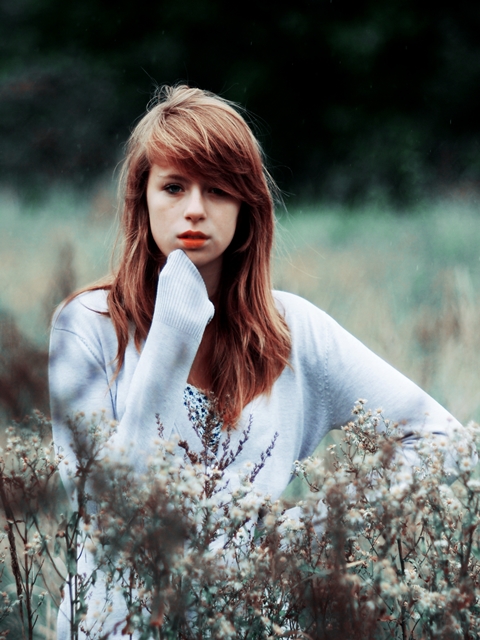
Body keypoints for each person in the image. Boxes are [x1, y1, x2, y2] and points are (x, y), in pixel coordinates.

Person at [49, 85, 469, 637]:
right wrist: (173, 337)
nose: (195, 209)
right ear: (142, 198)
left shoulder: (293, 331)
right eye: (174, 186)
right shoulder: (87, 327)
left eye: (218, 189)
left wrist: (304, 533)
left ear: (247, 206)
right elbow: (109, 514)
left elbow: (445, 443)